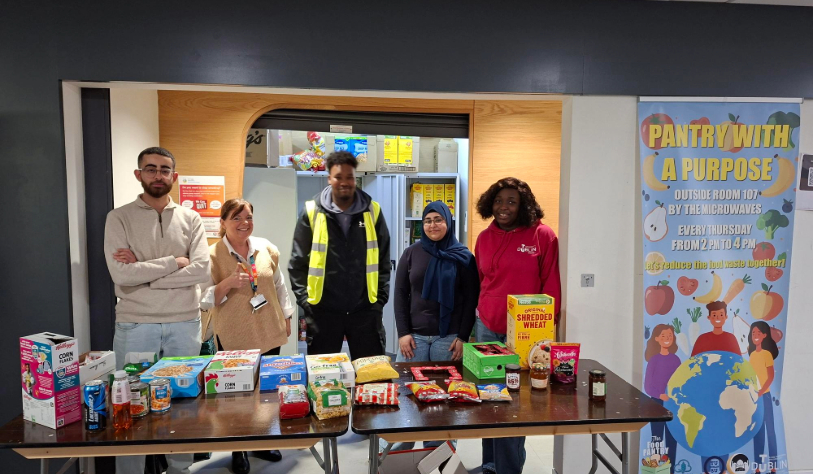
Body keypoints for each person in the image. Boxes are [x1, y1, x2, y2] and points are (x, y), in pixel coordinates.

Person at [105, 146, 210, 474]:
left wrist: (146, 275)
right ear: (139, 175)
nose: (158, 175)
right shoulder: (118, 217)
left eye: (165, 169)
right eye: (150, 169)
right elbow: (121, 275)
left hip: (184, 322)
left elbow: (203, 270)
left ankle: (179, 469)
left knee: (182, 404)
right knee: (131, 405)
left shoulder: (191, 218)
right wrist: (172, 263)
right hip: (137, 325)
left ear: (174, 177)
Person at [474, 177, 561, 474]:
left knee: (513, 405)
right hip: (487, 327)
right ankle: (489, 465)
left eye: (511, 201)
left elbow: (551, 284)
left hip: (525, 334)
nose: (503, 207)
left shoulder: (542, 235)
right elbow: (482, 281)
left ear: (523, 204)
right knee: (489, 398)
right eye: (498, 201)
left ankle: (508, 469)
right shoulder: (484, 238)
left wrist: (550, 331)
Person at [200, 198, 293, 474]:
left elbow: (278, 285)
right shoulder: (211, 255)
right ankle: (238, 447)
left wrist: (286, 317)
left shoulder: (266, 248)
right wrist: (227, 283)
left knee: (266, 389)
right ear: (223, 222)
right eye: (237, 218)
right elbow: (203, 299)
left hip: (267, 328)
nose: (244, 224)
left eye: (249, 217)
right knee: (237, 393)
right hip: (233, 333)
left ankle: (263, 440)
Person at [392, 200, 478, 450]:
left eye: (438, 219)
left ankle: (436, 452)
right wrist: (403, 332)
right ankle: (402, 450)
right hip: (414, 339)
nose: (433, 225)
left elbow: (471, 300)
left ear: (448, 222)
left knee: (443, 400)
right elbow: (400, 295)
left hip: (447, 338)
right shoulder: (411, 253)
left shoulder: (463, 256)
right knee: (406, 394)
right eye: (428, 220)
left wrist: (463, 336)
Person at [289, 151, 391, 360]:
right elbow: (297, 263)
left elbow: (383, 260)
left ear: (355, 178)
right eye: (338, 177)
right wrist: (307, 303)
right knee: (323, 379)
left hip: (365, 311)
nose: (344, 182)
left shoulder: (373, 211)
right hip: (323, 313)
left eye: (349, 177)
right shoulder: (312, 212)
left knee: (370, 377)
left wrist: (378, 301)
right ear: (329, 178)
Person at [644, 324, 680, 474]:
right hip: (656, 404)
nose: (667, 339)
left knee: (672, 438)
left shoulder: (676, 360)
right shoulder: (653, 360)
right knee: (656, 439)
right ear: (657, 338)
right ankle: (655, 470)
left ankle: (670, 470)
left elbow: (680, 381)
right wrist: (660, 395)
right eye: (664, 336)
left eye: (670, 336)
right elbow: (648, 386)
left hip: (672, 403)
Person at [748, 321, 779, 474]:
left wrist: (761, 391)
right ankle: (758, 466)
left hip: (765, 397)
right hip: (755, 398)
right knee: (757, 431)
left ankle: (774, 465)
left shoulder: (767, 354)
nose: (755, 336)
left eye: (758, 333)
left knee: (770, 430)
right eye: (753, 333)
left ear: (764, 335)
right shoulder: (752, 355)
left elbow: (771, 376)